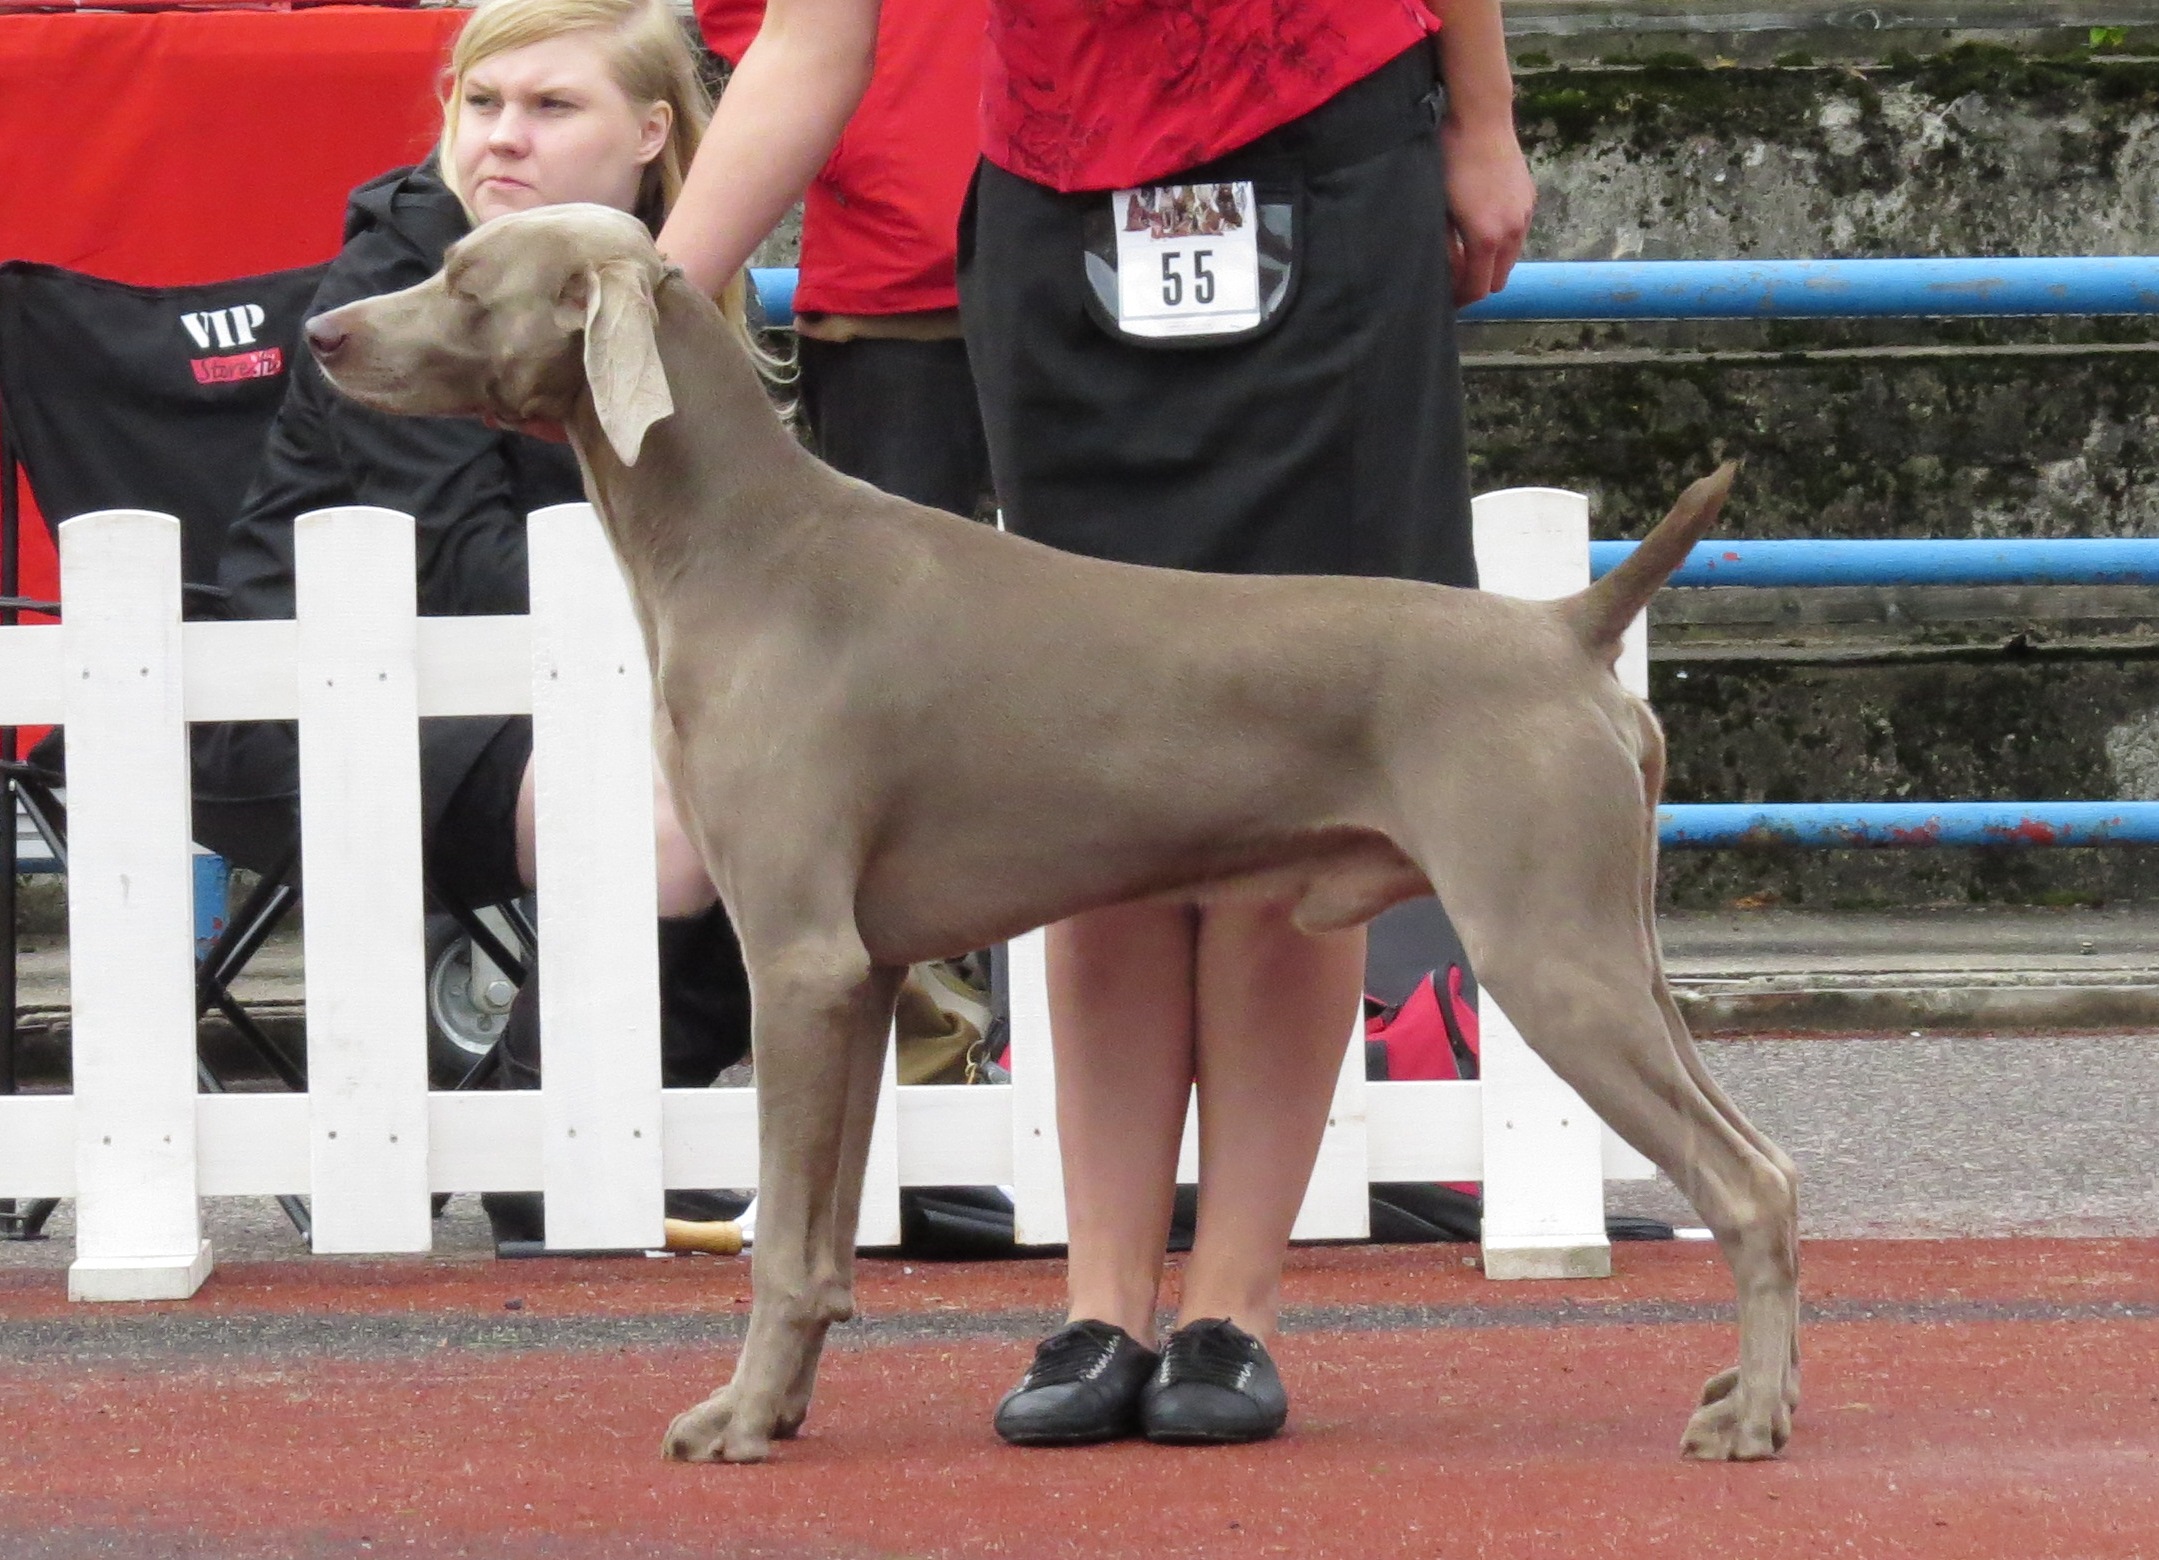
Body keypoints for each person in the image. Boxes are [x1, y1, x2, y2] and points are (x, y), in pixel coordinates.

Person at [658, 0, 1534, 1444]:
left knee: (1290, 773)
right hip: (1057, 209)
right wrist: (646, 293)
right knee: (1085, 782)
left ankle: (1232, 1312)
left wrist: (1481, 121)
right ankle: (1098, 1306)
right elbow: (813, 43)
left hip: (1327, 155)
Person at [192, 0, 757, 1244]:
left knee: (803, 787)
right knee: (683, 812)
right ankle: (555, 1135)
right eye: (479, 102)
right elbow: (463, 569)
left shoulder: (668, 283)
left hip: (561, 698)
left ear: (651, 132)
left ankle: (562, 1119)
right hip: (309, 708)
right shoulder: (398, 276)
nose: (501, 138)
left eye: (552, 108)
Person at [693, 0, 990, 520]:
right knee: (892, 591)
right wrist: (855, 127)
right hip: (891, 293)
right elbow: (746, 17)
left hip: (1112, 262)